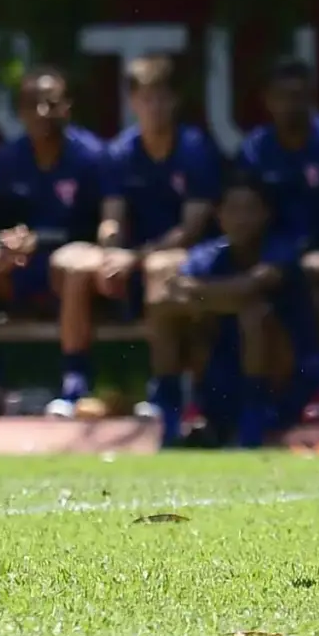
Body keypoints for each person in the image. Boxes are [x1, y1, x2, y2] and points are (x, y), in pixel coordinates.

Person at [47, 54, 222, 419]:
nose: (153, 107)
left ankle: (165, 389)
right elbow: (112, 217)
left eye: (161, 98)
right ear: (133, 102)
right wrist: (110, 249)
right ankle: (75, 381)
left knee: (159, 268)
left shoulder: (195, 149)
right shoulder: (120, 152)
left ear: (174, 101)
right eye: (145, 98)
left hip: (187, 256)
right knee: (76, 266)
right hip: (133, 256)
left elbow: (190, 229)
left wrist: (136, 257)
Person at [146, 170, 318, 447]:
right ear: (219, 216)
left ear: (266, 214)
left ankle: (253, 422)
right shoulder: (209, 255)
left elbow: (249, 287)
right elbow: (175, 289)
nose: (241, 219)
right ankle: (170, 413)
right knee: (164, 309)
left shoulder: (280, 250)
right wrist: (217, 299)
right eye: (233, 210)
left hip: (281, 379)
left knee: (253, 313)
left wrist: (202, 294)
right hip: (220, 368)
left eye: (250, 210)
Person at [238, 57, 319, 409]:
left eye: (298, 96)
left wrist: (310, 256)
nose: (290, 105)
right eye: (282, 97)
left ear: (311, 98)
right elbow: (244, 211)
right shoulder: (256, 150)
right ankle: (244, 394)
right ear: (268, 101)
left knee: (308, 275)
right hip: (272, 254)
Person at [0, 67, 109, 406]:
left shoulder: (91, 156)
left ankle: (75, 378)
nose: (42, 112)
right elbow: (0, 218)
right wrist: (7, 239)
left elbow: (94, 228)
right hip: (22, 266)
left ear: (67, 107)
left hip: (74, 264)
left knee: (71, 265)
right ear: (20, 112)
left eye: (51, 103)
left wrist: (40, 240)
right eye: (32, 104)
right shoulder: (8, 158)